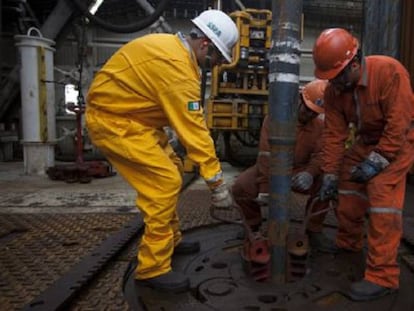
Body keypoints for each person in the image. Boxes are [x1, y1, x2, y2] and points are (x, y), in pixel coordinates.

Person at [85, 10, 238, 293]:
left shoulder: (175, 53)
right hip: (115, 122)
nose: (215, 65)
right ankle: (152, 268)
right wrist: (217, 184)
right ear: (205, 44)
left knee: (173, 168)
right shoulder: (176, 67)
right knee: (163, 183)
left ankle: (170, 240)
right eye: (216, 57)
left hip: (134, 120)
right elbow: (194, 132)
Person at [313, 28, 414, 301]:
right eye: (330, 79)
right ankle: (349, 242)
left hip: (398, 142)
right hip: (367, 141)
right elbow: (334, 135)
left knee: (382, 200)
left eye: (337, 77)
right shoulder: (335, 91)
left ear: (354, 63)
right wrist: (330, 174)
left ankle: (383, 276)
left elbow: (400, 122)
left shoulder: (390, 72)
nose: (334, 85)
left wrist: (379, 160)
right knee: (346, 182)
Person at [232, 79, 331, 250]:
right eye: (307, 110)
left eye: (315, 113)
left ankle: (313, 230)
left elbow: (320, 155)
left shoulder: (319, 126)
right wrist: (264, 188)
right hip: (271, 168)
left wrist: (310, 173)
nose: (310, 115)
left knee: (326, 184)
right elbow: (265, 155)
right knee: (241, 186)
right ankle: (253, 225)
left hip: (299, 169)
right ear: (299, 99)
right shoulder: (274, 119)